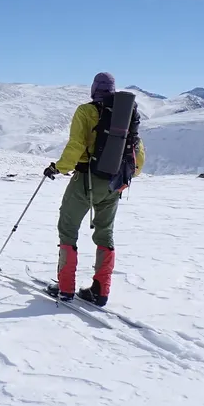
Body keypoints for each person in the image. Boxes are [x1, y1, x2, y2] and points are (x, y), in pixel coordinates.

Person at [43, 72, 145, 306]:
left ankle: (66, 288)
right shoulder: (126, 114)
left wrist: (58, 168)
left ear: (93, 89)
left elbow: (76, 145)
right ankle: (100, 291)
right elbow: (138, 153)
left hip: (87, 180)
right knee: (105, 234)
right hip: (116, 183)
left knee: (68, 228)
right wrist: (123, 174)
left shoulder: (86, 112)